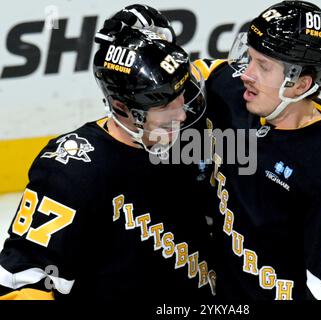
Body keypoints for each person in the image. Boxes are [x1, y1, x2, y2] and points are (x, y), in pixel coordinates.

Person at [0, 5, 215, 301]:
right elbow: (26, 280)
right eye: (164, 105)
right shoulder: (73, 171)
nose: (181, 113)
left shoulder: (182, 130)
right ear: (121, 108)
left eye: (180, 95)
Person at [194, 1, 321, 300]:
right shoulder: (239, 93)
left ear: (300, 84)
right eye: (249, 58)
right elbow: (200, 73)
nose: (246, 73)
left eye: (263, 66)